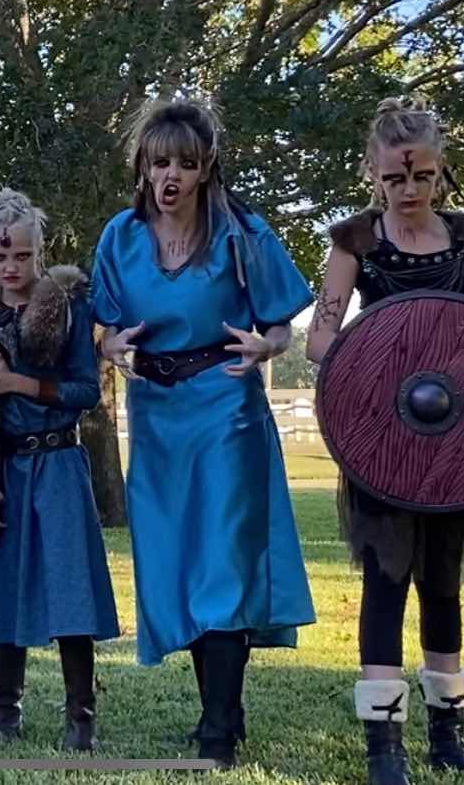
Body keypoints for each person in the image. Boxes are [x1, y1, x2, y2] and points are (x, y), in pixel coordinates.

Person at [91, 97, 316, 767]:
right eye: (160, 163)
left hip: (226, 406)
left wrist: (269, 346)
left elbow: (280, 323)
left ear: (205, 168)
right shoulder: (120, 237)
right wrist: (108, 345)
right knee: (178, 561)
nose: (171, 177)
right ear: (142, 165)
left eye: (185, 165)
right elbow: (102, 326)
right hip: (156, 415)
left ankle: (218, 728)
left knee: (221, 561)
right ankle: (224, 712)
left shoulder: (242, 233)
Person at [305, 97, 464, 785]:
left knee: (442, 583)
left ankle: (448, 736)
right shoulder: (355, 243)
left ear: (439, 170)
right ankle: (383, 747)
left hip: (452, 440)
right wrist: (381, 357)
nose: (409, 190)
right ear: (372, 171)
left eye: (421, 176)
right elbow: (321, 338)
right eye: (394, 178)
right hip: (382, 437)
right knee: (385, 582)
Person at [0, 188, 120, 751]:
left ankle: (81, 718)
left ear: (39, 251)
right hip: (7, 466)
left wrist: (20, 383)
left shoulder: (66, 306)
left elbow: (85, 392)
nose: (11, 267)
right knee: (5, 581)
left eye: (21, 255)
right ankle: (4, 712)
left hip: (60, 462)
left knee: (70, 587)